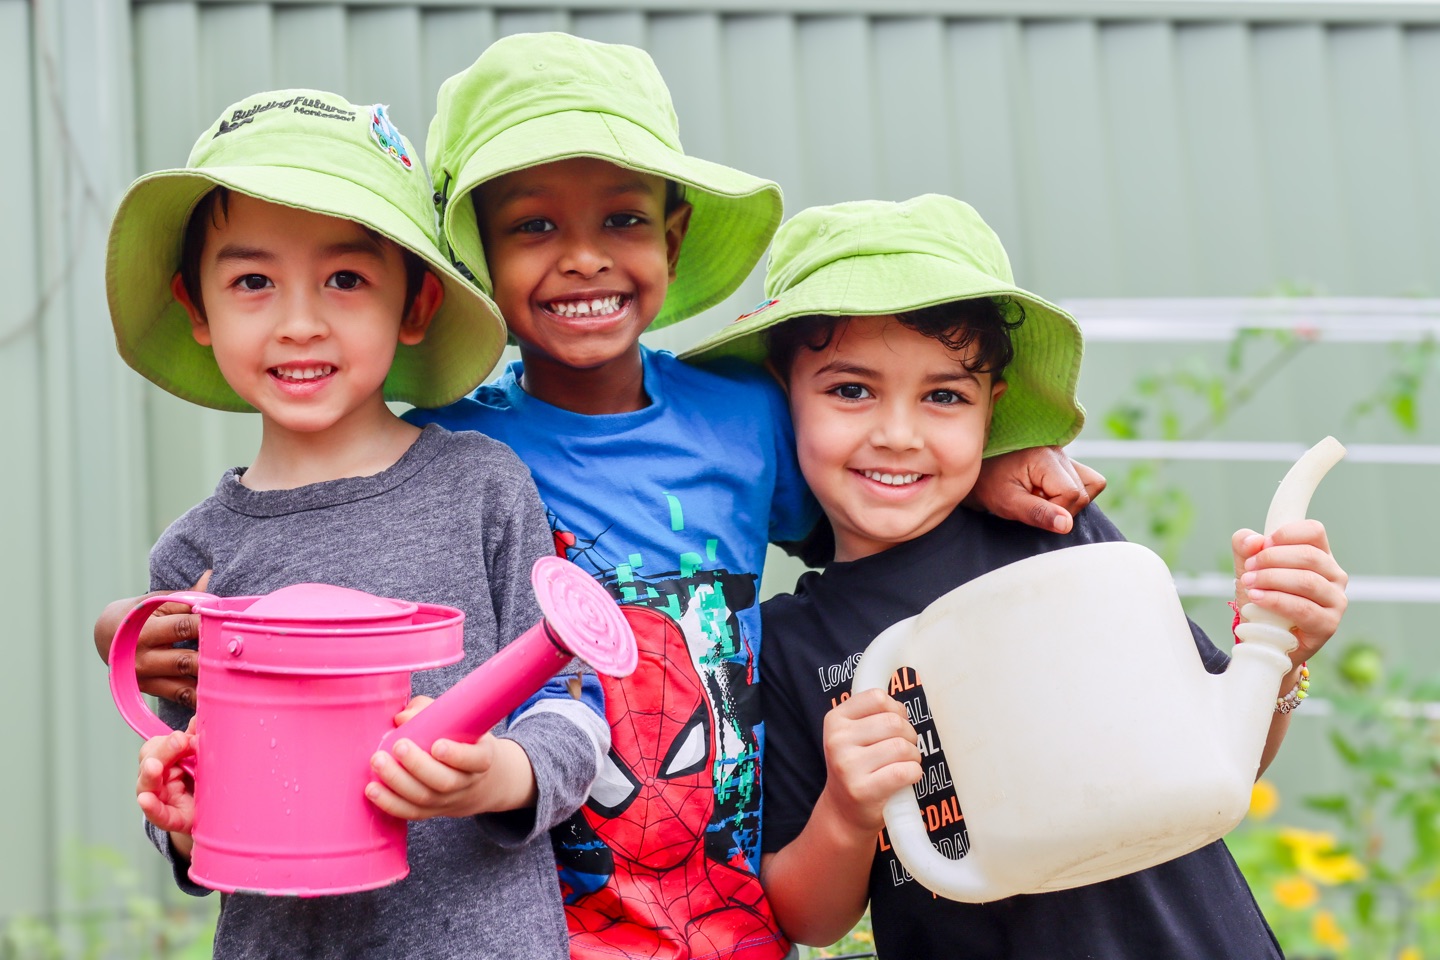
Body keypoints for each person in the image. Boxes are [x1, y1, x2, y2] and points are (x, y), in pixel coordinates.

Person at [98, 36, 1100, 960]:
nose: (583, 256)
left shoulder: (746, 420)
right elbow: (310, 549)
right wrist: (125, 631)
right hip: (530, 926)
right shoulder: (454, 460)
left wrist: (993, 460)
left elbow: (878, 483)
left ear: (673, 236)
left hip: (733, 923)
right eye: (535, 225)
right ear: (475, 259)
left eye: (621, 219)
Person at [683, 194, 1349, 959]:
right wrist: (847, 809)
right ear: (781, 398)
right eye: (851, 390)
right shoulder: (787, 643)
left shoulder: (1058, 539)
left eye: (944, 396)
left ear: (990, 408)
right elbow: (811, 919)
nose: (897, 434)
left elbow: (1222, 755)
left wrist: (1282, 654)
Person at [104, 89, 606, 959]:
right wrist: (183, 821)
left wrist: (499, 776)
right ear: (197, 307)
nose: (300, 323)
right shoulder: (194, 557)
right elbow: (190, 772)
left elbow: (574, 712)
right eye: (253, 282)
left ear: (414, 305)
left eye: (345, 279)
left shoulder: (481, 488)